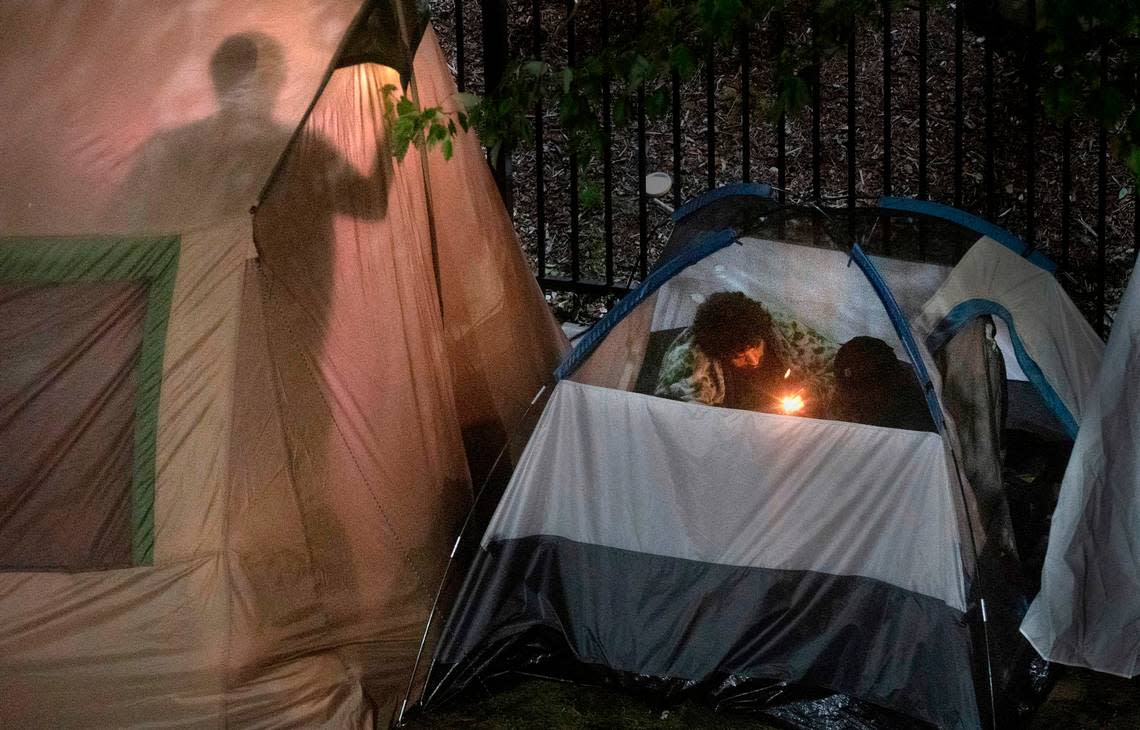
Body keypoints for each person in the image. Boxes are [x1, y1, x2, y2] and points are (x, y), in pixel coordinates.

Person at [655, 291, 837, 416]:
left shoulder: (780, 329)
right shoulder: (690, 360)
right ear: (721, 354)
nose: (753, 360)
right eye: (739, 356)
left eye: (756, 346)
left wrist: (815, 391)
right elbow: (681, 418)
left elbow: (836, 365)